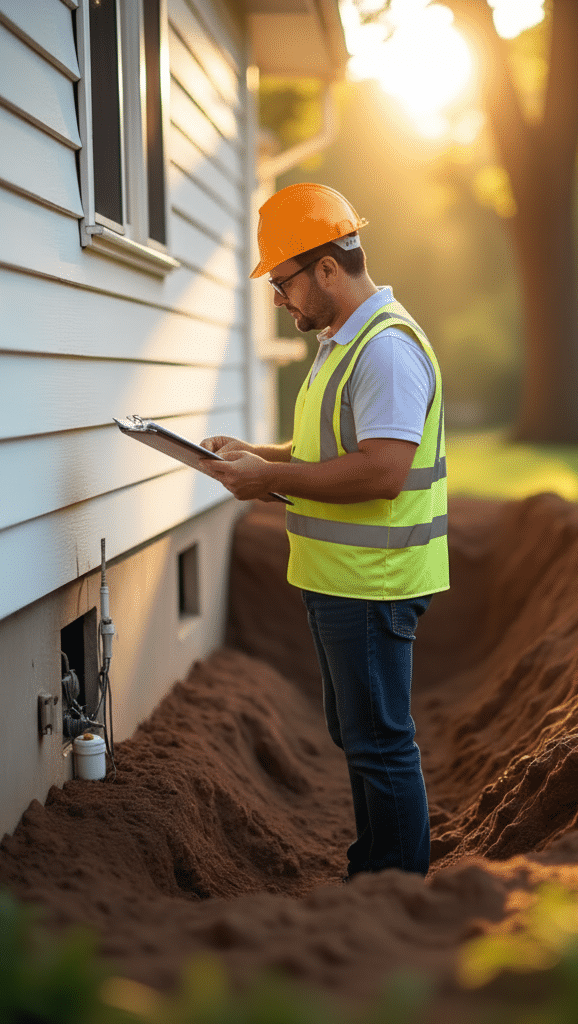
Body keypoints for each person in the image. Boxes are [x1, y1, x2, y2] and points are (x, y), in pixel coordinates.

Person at [200, 183, 448, 879]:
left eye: (283, 283)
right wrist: (255, 457)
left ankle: (395, 886)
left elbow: (381, 472)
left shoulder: (385, 351)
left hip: (374, 583)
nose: (279, 301)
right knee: (358, 734)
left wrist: (266, 482)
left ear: (328, 269)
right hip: (341, 580)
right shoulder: (344, 343)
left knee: (379, 743)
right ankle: (375, 869)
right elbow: (325, 453)